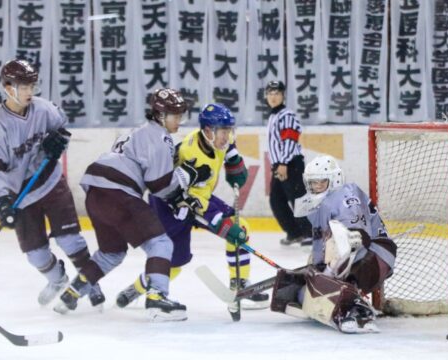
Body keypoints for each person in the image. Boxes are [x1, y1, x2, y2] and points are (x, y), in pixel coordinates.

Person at [53, 88, 211, 321]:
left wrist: (179, 191)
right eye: (175, 115)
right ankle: (157, 298)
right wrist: (189, 175)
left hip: (95, 192)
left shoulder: (135, 133)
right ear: (160, 115)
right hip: (119, 193)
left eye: (181, 115)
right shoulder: (160, 138)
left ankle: (73, 292)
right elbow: (160, 186)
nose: (179, 121)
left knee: (111, 252)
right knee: (160, 243)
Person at [115, 103, 269, 311]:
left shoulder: (222, 138)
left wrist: (235, 167)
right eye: (223, 132)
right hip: (171, 205)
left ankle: (239, 283)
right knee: (174, 264)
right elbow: (196, 206)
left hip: (198, 196)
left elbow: (230, 151)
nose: (227, 136)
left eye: (229, 131)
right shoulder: (191, 153)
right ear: (208, 131)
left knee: (240, 228)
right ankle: (138, 287)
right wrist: (223, 227)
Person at [0, 59, 105, 307]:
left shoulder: (44, 109)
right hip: (20, 194)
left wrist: (58, 144)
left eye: (31, 86)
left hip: (50, 181)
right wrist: (2, 200)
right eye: (22, 87)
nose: (28, 92)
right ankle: (57, 280)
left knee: (70, 240)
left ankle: (90, 282)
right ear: (6, 87)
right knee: (36, 255)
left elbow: (62, 130)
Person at [270, 155, 397, 333]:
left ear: (334, 179)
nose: (315, 187)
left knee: (336, 264)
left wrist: (330, 272)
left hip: (376, 254)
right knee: (311, 284)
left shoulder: (346, 196)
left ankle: (357, 309)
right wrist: (318, 270)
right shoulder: (322, 203)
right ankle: (344, 300)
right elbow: (322, 247)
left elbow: (356, 240)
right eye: (312, 183)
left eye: (321, 182)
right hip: (356, 256)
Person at [264, 80, 312, 246]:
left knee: (298, 199)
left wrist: (283, 163)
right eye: (270, 93)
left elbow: (290, 140)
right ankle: (294, 232)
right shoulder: (274, 116)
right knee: (276, 200)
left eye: (277, 93)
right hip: (281, 165)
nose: (273, 96)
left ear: (283, 96)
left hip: (290, 164)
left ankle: (310, 233)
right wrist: (278, 165)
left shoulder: (287, 115)